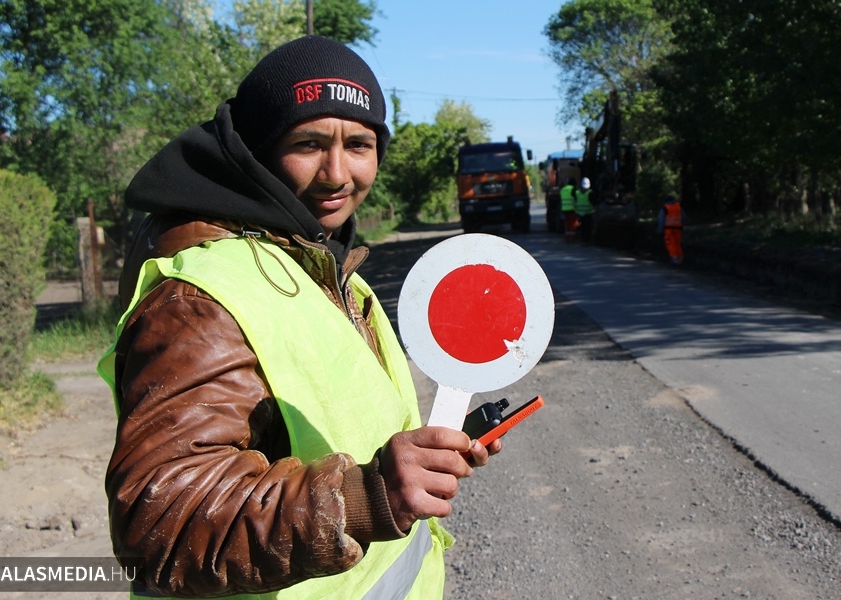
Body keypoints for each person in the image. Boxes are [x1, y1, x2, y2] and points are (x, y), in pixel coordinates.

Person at [97, 36, 500, 599]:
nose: (336, 174)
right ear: (257, 150)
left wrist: (421, 463)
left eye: (358, 145)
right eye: (308, 143)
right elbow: (161, 525)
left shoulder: (322, 263)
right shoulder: (199, 300)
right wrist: (366, 496)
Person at [657, 194, 687, 265]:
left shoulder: (665, 208)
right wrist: (682, 225)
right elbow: (684, 217)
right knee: (677, 243)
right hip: (678, 228)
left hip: (668, 229)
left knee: (670, 243)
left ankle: (674, 258)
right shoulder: (678, 207)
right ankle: (680, 258)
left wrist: (660, 231)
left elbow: (661, 220)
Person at [575, 176, 595, 243]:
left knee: (583, 228)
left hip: (580, 214)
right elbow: (594, 203)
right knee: (588, 228)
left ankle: (583, 239)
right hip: (588, 214)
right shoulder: (590, 193)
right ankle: (587, 239)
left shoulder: (577, 193)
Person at [560, 177, 578, 241]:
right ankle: (572, 237)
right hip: (572, 209)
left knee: (567, 224)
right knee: (573, 224)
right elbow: (576, 198)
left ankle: (567, 237)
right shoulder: (573, 189)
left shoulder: (562, 189)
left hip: (564, 210)